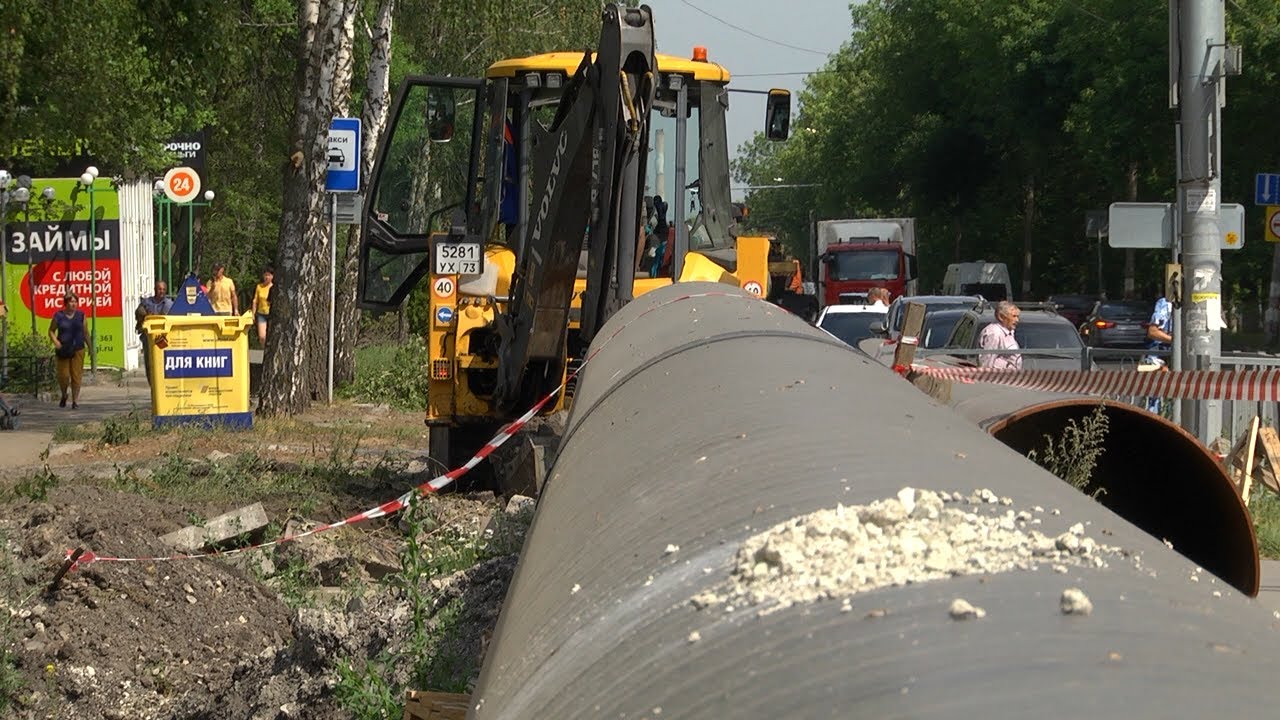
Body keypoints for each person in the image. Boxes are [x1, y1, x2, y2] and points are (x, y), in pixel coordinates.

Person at [49, 292, 90, 409]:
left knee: (76, 375)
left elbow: (86, 333)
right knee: (64, 376)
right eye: (71, 302)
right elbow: (51, 331)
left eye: (75, 302)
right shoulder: (59, 316)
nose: (74, 304)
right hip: (63, 349)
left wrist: (90, 348)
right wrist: (56, 342)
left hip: (78, 348)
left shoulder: (81, 315)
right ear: (66, 303)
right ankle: (64, 395)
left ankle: (75, 401)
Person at [1142, 283, 1174, 413]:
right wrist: (1175, 341)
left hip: (1180, 356)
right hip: (1159, 354)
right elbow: (1153, 332)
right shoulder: (1166, 304)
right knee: (1155, 395)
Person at [135, 281, 174, 385]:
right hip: (148, 338)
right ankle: (152, 384)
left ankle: (163, 385)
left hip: (163, 338)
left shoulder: (168, 303)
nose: (161, 291)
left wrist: (151, 316)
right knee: (149, 362)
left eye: (163, 289)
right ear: (155, 289)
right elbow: (139, 312)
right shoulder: (147, 302)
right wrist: (145, 314)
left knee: (163, 362)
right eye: (159, 289)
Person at [977, 301, 1021, 370]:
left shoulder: (1009, 331)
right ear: (1001, 317)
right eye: (1014, 316)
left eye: (1017, 316)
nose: (1017, 320)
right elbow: (987, 363)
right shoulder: (994, 333)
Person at [253, 267, 274, 345]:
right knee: (262, 336)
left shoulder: (274, 287)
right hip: (261, 313)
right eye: (265, 275)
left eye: (268, 275)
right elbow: (255, 300)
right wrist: (253, 314)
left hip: (271, 313)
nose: (266, 277)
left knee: (272, 336)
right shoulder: (259, 287)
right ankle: (264, 350)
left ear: (272, 276)